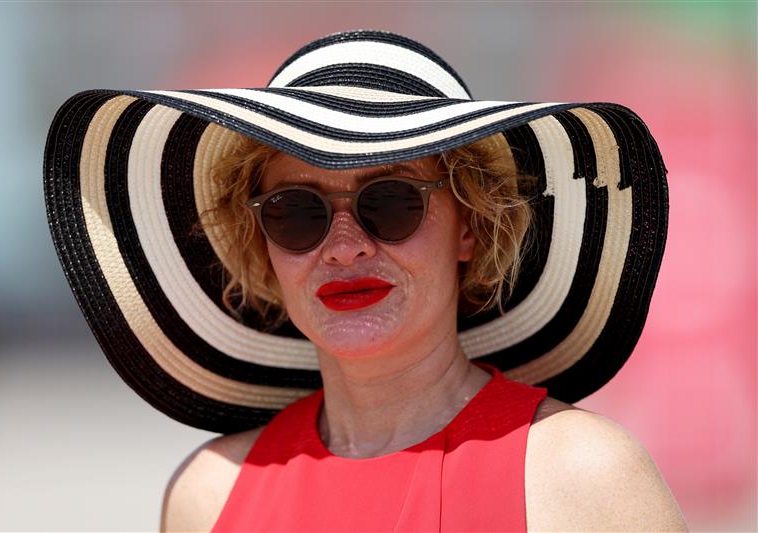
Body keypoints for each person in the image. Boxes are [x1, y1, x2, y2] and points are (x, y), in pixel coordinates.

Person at [43, 30, 688, 531]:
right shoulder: (208, 497)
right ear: (263, 245)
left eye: (391, 202)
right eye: (298, 213)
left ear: (469, 225)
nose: (345, 247)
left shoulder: (580, 477)